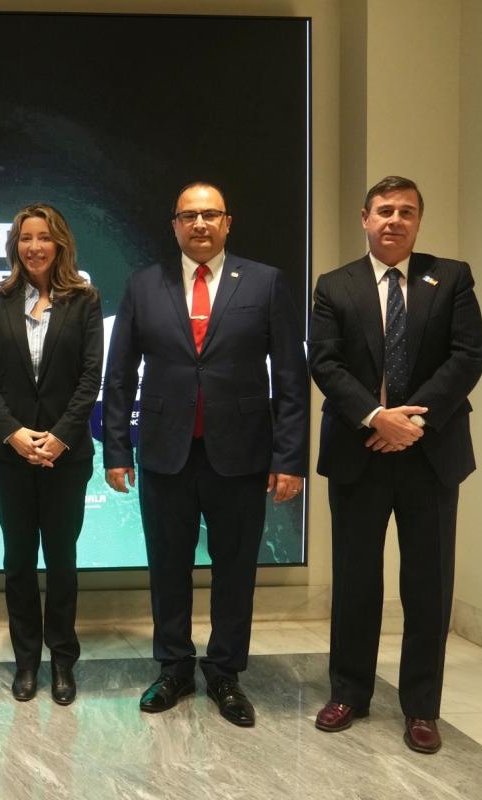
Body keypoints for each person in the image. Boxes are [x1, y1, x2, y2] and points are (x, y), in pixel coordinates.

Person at [102, 182, 308, 727]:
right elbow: (119, 374)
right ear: (173, 225)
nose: (199, 225)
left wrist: (289, 459)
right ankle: (173, 668)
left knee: (235, 570)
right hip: (166, 455)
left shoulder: (264, 283)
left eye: (209, 215)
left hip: (241, 457)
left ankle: (224, 673)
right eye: (188, 216)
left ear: (227, 223)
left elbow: (290, 377)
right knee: (167, 568)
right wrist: (116, 449)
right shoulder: (145, 284)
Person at [309, 176, 482, 754]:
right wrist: (375, 417)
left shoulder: (450, 277)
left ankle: (421, 708)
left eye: (407, 211)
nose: (395, 220)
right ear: (364, 218)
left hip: (430, 455)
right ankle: (349, 693)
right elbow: (325, 363)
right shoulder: (335, 286)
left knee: (428, 587)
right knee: (356, 581)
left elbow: (468, 356)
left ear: (418, 221)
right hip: (360, 452)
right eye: (385, 210)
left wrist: (413, 423)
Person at [0, 203, 103, 705]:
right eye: (26, 238)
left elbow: (90, 376)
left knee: (63, 562)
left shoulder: (85, 301)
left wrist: (59, 436)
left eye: (44, 237)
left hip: (66, 456)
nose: (34, 246)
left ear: (60, 244)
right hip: (9, 455)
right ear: (15, 246)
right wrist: (14, 433)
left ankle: (63, 662)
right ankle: (26, 661)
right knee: (19, 562)